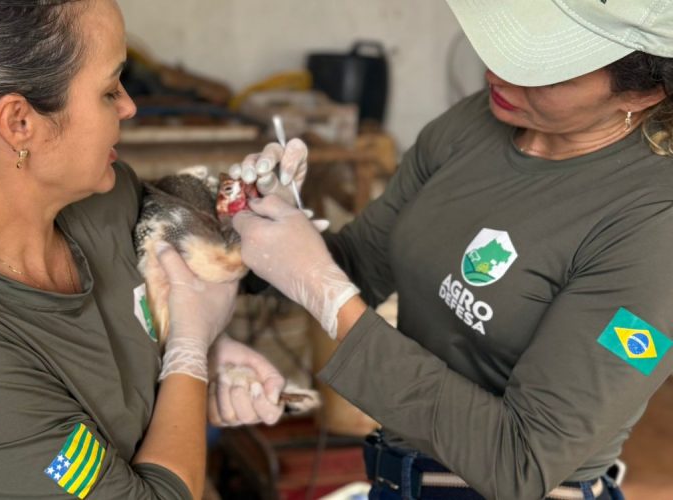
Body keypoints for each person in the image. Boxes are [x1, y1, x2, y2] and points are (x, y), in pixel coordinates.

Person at [229, 1, 673, 499]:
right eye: (509, 47)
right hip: (397, 475)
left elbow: (519, 462)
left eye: (543, 72)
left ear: (646, 91)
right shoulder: (475, 124)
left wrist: (324, 293)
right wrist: (255, 229)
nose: (498, 74)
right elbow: (360, 264)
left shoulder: (654, 225)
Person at [0, 0, 286, 498]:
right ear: (19, 122)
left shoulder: (101, 203)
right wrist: (189, 354)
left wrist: (198, 360)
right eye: (110, 89)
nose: (130, 106)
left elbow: (154, 295)